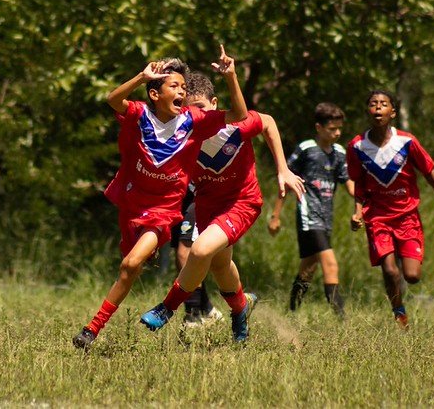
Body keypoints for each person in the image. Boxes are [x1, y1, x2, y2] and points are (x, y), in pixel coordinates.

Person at [72, 47, 247, 350]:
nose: (182, 91)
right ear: (155, 94)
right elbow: (113, 99)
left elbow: (240, 115)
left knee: (130, 265)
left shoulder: (193, 121)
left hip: (162, 211)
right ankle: (232, 305)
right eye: (175, 86)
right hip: (131, 204)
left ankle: (91, 329)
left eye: (184, 86)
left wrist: (231, 77)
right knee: (128, 268)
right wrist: (142, 76)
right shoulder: (139, 115)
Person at [139, 72, 305, 342]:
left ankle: (166, 308)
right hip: (208, 205)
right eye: (190, 109)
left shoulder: (234, 127)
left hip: (242, 202)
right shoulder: (182, 135)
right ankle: (241, 313)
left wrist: (283, 169)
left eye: (202, 108)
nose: (198, 115)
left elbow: (268, 122)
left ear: (215, 104)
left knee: (200, 249)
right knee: (220, 266)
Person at [347, 90, 434, 329]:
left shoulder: (406, 141)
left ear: (392, 112)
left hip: (407, 216)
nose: (378, 108)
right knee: (390, 270)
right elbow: (358, 183)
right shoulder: (357, 146)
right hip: (377, 217)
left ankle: (402, 295)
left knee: (412, 276)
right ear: (368, 111)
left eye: (384, 104)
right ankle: (399, 312)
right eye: (373, 104)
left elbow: (429, 171)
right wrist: (357, 211)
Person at [268, 102, 354, 316]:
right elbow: (285, 181)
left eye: (339, 129)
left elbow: (348, 182)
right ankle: (342, 319)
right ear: (319, 128)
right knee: (330, 264)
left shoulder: (339, 153)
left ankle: (292, 310)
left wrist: (364, 203)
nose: (337, 133)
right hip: (308, 215)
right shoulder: (306, 149)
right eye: (332, 129)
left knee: (308, 267)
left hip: (326, 217)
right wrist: (275, 216)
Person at [169, 186, 224, 327]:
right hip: (178, 195)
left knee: (185, 253)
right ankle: (208, 309)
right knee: (179, 254)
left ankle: (193, 315)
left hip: (196, 193)